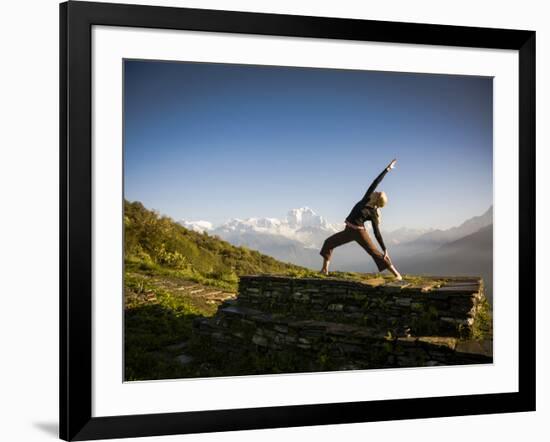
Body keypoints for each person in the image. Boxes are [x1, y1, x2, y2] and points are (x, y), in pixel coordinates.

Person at [319, 159, 403, 280]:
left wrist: (385, 249)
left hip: (359, 233)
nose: (375, 191)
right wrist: (387, 169)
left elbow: (377, 233)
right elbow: (376, 182)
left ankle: (397, 274)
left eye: (377, 192)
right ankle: (324, 270)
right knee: (329, 242)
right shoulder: (366, 198)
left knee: (375, 254)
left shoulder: (373, 213)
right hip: (348, 230)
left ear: (377, 199)